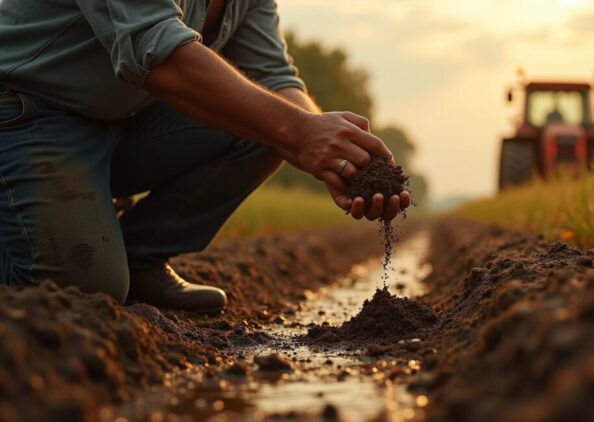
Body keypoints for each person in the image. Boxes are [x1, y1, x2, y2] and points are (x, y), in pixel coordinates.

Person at [0, 0, 410, 313]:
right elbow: (158, 51)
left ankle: (139, 256)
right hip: (29, 111)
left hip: (119, 117)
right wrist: (302, 132)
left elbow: (273, 78)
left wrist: (338, 156)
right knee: (83, 293)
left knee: (268, 123)